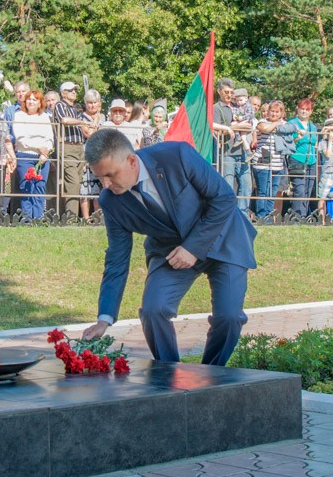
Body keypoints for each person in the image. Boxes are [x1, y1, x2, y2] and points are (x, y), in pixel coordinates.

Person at [80, 128, 258, 366]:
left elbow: (224, 198)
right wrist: (105, 318)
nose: (106, 184)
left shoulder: (177, 155)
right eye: (100, 177)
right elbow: (117, 259)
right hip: (170, 251)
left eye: (111, 175)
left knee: (229, 317)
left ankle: (213, 373)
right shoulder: (110, 201)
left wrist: (192, 248)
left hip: (223, 237)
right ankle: (168, 374)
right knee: (153, 311)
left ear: (132, 160)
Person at [12, 90, 53, 220]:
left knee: (40, 186)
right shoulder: (19, 116)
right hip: (25, 156)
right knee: (27, 187)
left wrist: (45, 153)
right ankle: (27, 219)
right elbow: (20, 138)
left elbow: (50, 138)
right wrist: (38, 147)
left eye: (35, 99)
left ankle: (38, 218)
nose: (31, 102)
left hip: (43, 157)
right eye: (29, 99)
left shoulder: (44, 117)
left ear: (40, 103)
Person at [51, 81, 89, 219]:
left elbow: (83, 129)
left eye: (75, 90)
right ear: (63, 93)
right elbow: (64, 120)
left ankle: (70, 216)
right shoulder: (60, 105)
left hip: (79, 147)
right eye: (71, 90)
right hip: (67, 146)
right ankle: (71, 219)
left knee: (76, 182)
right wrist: (83, 122)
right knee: (73, 182)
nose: (74, 92)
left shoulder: (75, 108)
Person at [285, 99, 319, 219]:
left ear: (311, 111)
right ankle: (296, 216)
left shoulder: (313, 127)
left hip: (311, 161)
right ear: (298, 110)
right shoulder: (292, 123)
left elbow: (315, 143)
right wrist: (298, 138)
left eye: (307, 109)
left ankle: (303, 216)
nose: (304, 112)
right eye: (302, 109)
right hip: (297, 159)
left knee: (308, 190)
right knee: (299, 189)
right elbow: (286, 143)